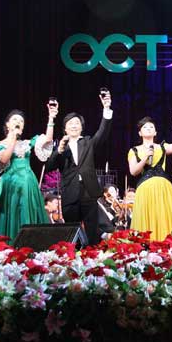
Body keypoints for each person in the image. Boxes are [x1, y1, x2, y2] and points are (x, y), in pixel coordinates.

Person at [45, 90, 113, 246]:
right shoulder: (60, 146)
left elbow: (102, 133)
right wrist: (59, 150)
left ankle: (93, 256)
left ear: (81, 127)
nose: (74, 125)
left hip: (88, 191)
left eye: (77, 123)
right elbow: (49, 166)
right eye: (70, 123)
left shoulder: (88, 142)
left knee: (92, 231)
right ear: (65, 129)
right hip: (70, 192)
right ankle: (73, 256)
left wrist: (106, 108)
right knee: (72, 231)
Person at [0, 104, 57, 242]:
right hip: (10, 185)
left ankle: (29, 245)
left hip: (28, 184)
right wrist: (12, 138)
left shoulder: (27, 143)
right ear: (7, 124)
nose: (18, 122)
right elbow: (3, 161)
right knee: (10, 213)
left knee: (27, 212)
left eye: (21, 121)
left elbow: (47, 140)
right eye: (15, 119)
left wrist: (51, 118)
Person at [128, 113, 172, 241]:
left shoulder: (162, 147)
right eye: (145, 127)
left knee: (163, 216)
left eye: (151, 127)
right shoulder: (134, 150)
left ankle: (166, 244)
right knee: (147, 218)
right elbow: (133, 171)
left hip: (164, 188)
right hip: (145, 189)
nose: (148, 129)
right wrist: (145, 158)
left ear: (155, 132)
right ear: (140, 133)